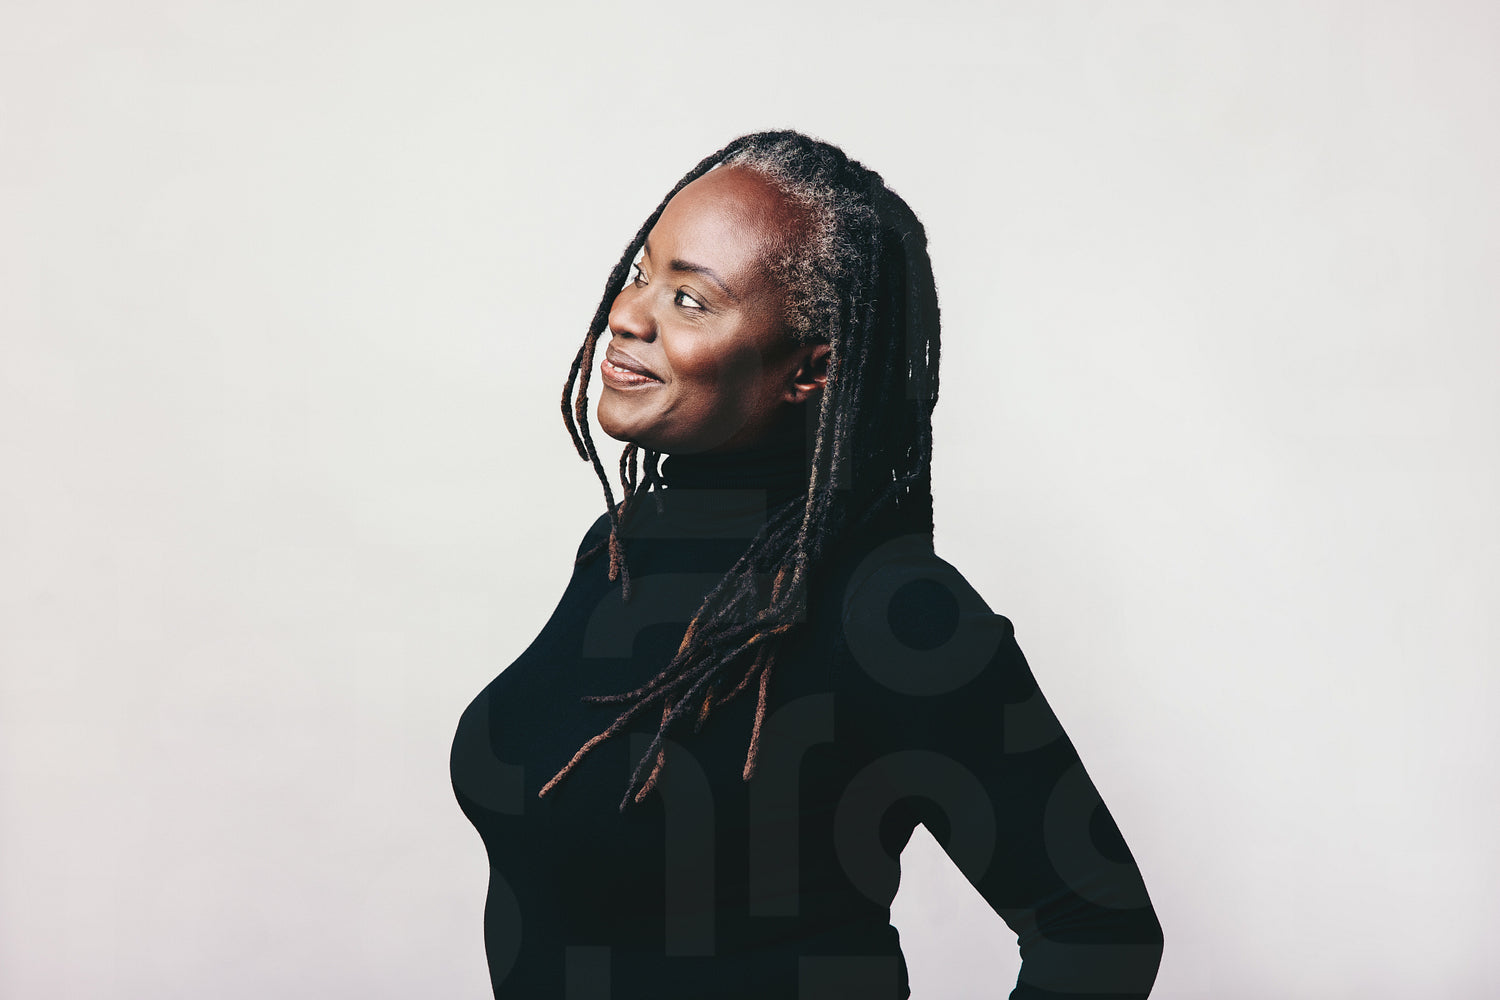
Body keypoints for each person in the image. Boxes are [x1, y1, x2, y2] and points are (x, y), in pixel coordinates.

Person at [450, 130, 1164, 999]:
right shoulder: (622, 546)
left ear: (811, 369)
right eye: (643, 273)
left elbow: (1100, 931)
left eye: (690, 300)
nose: (628, 315)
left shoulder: (892, 610)